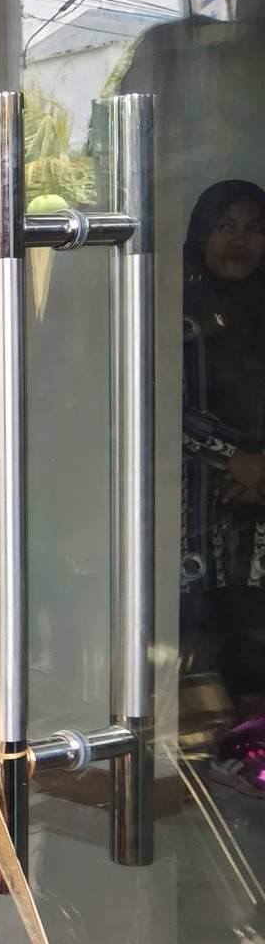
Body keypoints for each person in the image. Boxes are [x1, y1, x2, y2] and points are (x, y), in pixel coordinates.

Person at [181, 179, 265, 700]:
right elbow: (153, 401)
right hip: (191, 517)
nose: (240, 240)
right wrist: (237, 458)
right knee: (198, 663)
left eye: (254, 228)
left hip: (257, 521)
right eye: (225, 226)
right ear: (201, 233)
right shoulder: (170, 306)